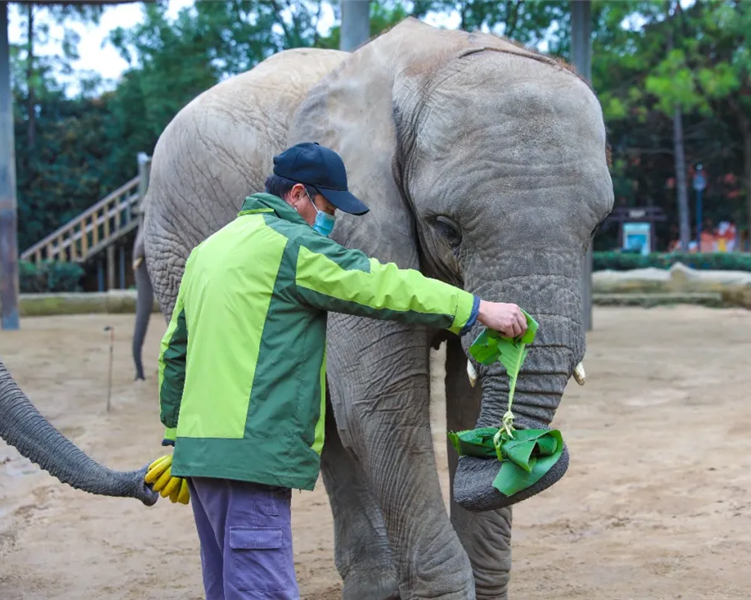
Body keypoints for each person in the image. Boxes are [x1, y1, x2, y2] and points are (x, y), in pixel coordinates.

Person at [155, 142, 528, 599]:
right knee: (262, 590)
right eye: (326, 207)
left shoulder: (208, 252)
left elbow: (174, 353)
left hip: (202, 459)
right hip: (253, 456)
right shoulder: (291, 248)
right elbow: (378, 285)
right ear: (297, 195)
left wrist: (178, 438)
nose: (327, 221)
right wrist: (474, 308)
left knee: (228, 585)